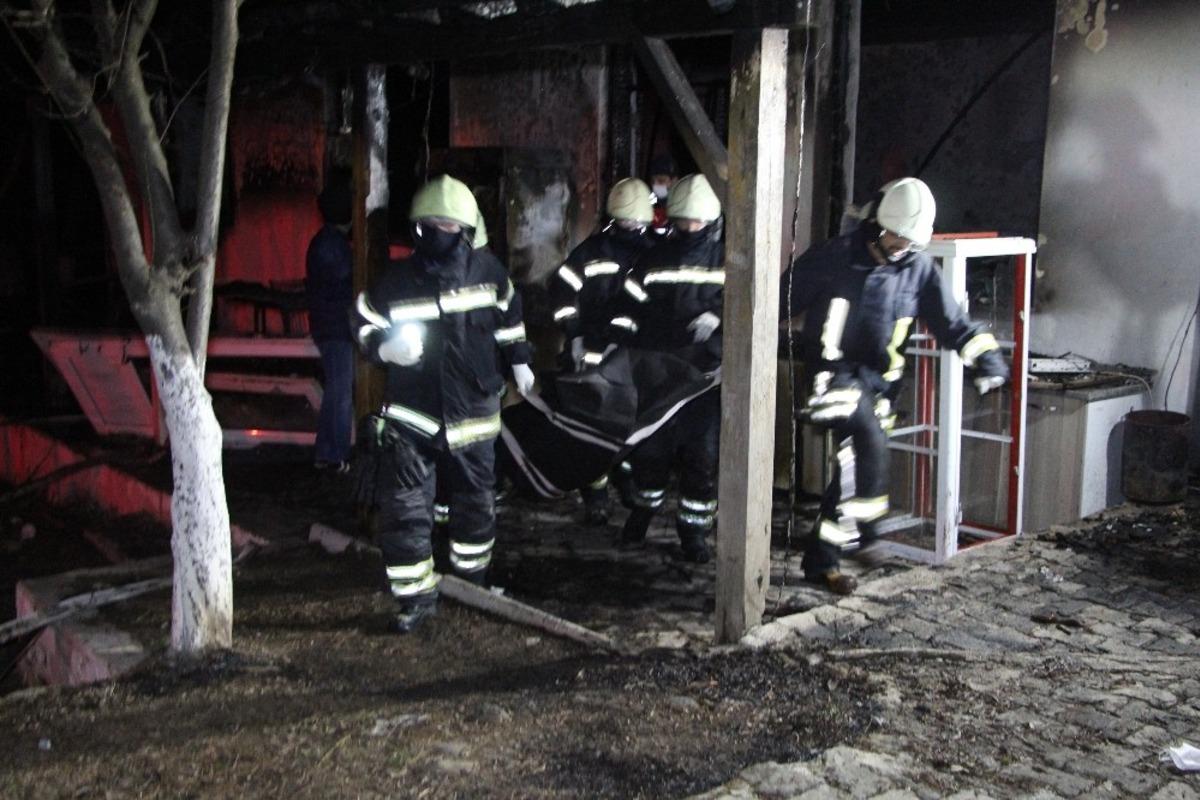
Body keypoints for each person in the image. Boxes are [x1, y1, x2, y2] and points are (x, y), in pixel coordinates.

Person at [779, 177, 1009, 595]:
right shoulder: (833, 258)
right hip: (831, 377)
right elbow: (778, 299)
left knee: (850, 472)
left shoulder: (918, 270)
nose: (903, 246)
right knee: (869, 440)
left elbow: (953, 324)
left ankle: (822, 560)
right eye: (898, 237)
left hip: (880, 385)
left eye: (911, 241)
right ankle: (868, 534)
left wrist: (987, 362)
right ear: (878, 225)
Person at [353, 175, 535, 633]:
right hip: (413, 418)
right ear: (417, 228)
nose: (440, 231)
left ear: (468, 229)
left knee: (475, 505)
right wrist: (383, 349)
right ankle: (415, 599)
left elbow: (509, 318)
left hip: (474, 415)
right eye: (431, 223)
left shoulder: (489, 272)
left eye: (450, 225)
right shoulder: (395, 282)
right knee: (407, 507)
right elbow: (363, 323)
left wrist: (520, 361)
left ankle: (470, 583)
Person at [615, 173, 724, 563]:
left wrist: (718, 318)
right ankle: (642, 512)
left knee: (701, 456)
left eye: (697, 222)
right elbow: (628, 309)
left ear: (710, 221)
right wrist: (619, 347)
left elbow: (747, 309)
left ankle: (693, 532)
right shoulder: (652, 258)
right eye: (683, 220)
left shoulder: (727, 259)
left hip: (703, 378)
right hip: (659, 371)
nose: (690, 227)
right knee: (651, 450)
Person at [551, 178, 655, 524]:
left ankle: (623, 480)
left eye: (635, 221)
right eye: (626, 220)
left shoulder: (656, 252)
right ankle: (595, 495)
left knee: (631, 425)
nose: (630, 226)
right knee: (591, 426)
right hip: (592, 354)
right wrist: (575, 335)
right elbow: (562, 293)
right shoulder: (592, 250)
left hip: (633, 353)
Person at [306, 173, 355, 473]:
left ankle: (329, 452)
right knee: (340, 392)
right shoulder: (332, 246)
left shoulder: (326, 242)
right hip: (336, 328)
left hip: (331, 326)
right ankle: (332, 454)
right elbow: (345, 284)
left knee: (338, 391)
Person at [647, 153, 678, 238]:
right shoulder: (648, 204)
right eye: (653, 181)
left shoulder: (682, 206)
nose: (655, 185)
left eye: (661, 180)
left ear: (674, 181)